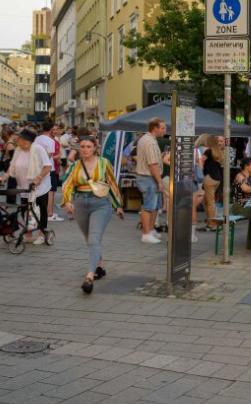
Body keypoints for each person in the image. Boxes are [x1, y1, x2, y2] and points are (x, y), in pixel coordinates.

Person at [61, 135, 124, 294]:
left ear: (95, 148)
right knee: (89, 239)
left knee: (94, 238)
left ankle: (89, 277)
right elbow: (67, 183)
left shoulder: (104, 163)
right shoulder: (75, 165)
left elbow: (112, 184)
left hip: (100, 204)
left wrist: (117, 205)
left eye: (89, 146)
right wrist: (67, 201)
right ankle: (100, 266)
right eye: (82, 146)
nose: (85, 149)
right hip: (80, 204)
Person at [3, 129, 53, 245]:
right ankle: (29, 233)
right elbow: (12, 167)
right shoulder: (18, 150)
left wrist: (39, 178)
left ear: (26, 141)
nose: (16, 139)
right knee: (25, 210)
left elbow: (47, 166)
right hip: (24, 187)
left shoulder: (38, 149)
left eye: (19, 138)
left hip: (39, 187)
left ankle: (41, 233)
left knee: (41, 210)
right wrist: (3, 177)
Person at [135, 117, 167, 243]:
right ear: (155, 128)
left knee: (154, 206)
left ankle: (150, 230)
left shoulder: (147, 139)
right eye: (163, 128)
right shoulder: (150, 142)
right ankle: (146, 233)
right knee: (148, 206)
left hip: (149, 177)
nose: (165, 130)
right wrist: (159, 181)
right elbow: (152, 164)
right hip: (148, 177)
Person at [202, 135, 224, 232]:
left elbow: (201, 160)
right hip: (217, 178)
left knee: (210, 202)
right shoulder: (220, 151)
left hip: (209, 178)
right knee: (207, 201)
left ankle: (212, 224)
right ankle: (210, 221)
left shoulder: (209, 151)